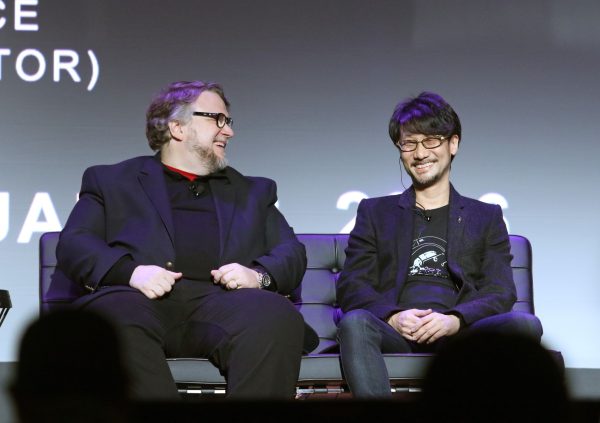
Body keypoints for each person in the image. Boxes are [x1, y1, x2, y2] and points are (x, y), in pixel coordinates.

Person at [53, 80, 316, 400]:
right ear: (177, 127)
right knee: (109, 319)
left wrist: (257, 275)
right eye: (217, 119)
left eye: (228, 121)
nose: (228, 131)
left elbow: (291, 252)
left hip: (222, 305)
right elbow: (75, 242)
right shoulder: (112, 181)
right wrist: (132, 273)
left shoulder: (252, 191)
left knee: (274, 316)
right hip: (136, 302)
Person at [336, 91, 543, 398]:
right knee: (354, 323)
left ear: (453, 144)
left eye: (431, 140)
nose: (420, 153)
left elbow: (500, 290)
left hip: (461, 334)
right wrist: (394, 316)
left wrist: (455, 320)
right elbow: (352, 284)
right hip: (397, 330)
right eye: (409, 143)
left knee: (525, 326)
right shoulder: (375, 211)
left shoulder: (484, 216)